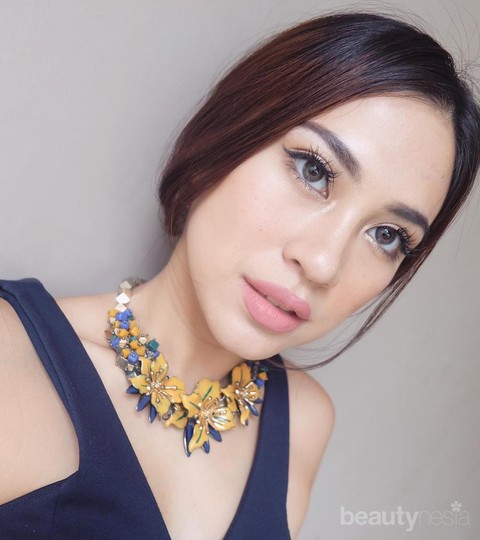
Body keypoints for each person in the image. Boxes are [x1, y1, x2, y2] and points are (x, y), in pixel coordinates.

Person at [1, 11, 479, 540]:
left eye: (387, 235)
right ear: (226, 134)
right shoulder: (10, 359)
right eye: (314, 171)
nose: (323, 263)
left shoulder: (303, 422)